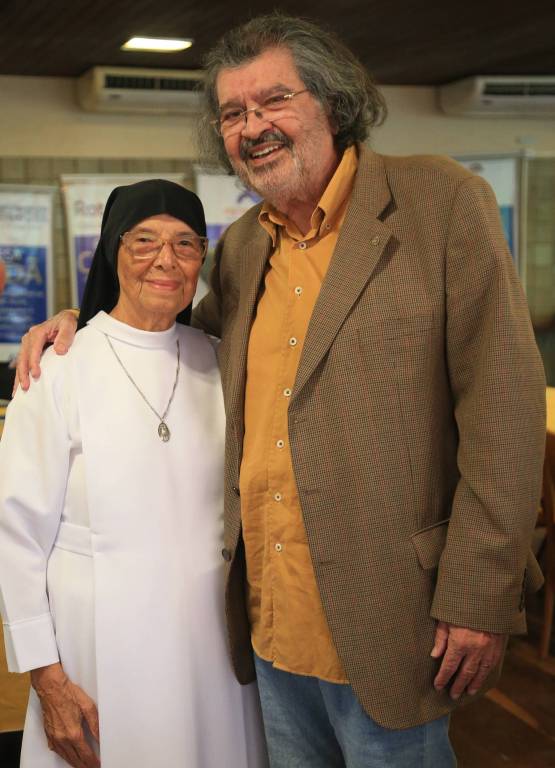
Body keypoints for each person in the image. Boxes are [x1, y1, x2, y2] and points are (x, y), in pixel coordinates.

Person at [16, 13, 546, 767]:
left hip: (395, 617)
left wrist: (478, 595)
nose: (252, 126)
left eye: (274, 100)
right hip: (265, 633)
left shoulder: (438, 203)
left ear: (332, 101)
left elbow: (505, 411)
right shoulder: (242, 247)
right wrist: (77, 321)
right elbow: (165, 333)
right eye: (233, 113)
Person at [0, 179, 267, 768]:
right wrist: (46, 675)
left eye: (186, 243)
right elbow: (16, 538)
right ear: (111, 251)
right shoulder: (57, 370)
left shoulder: (221, 359)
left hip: (213, 653)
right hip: (95, 651)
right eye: (144, 240)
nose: (165, 260)